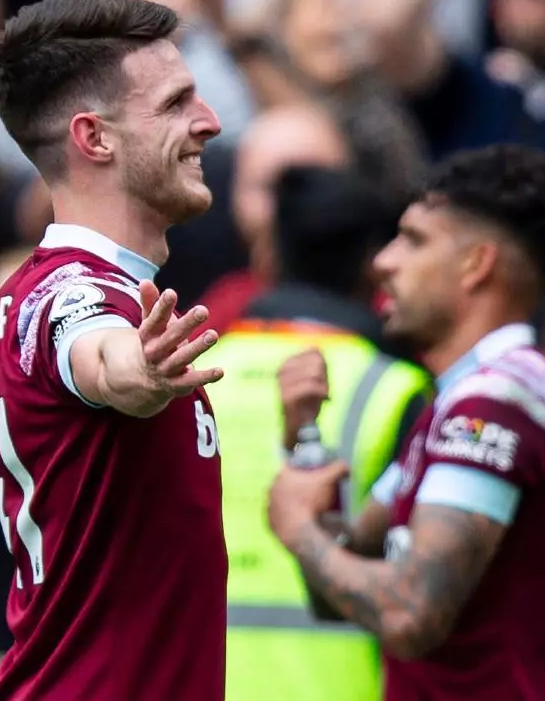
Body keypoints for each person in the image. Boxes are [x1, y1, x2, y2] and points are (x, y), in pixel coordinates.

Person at [0, 0, 228, 700]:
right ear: (95, 138)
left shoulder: (13, 307)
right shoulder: (76, 302)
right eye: (178, 102)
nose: (208, 122)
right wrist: (138, 374)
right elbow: (97, 356)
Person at [267, 144, 545, 700]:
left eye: (415, 240)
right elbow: (340, 589)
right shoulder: (463, 401)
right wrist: (305, 442)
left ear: (477, 264)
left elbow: (409, 615)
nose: (383, 262)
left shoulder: (497, 401)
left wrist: (299, 530)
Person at [200, 166, 431, 701]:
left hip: (195, 679)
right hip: (340, 686)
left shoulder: (192, 372)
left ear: (268, 255)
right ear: (375, 270)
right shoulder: (397, 388)